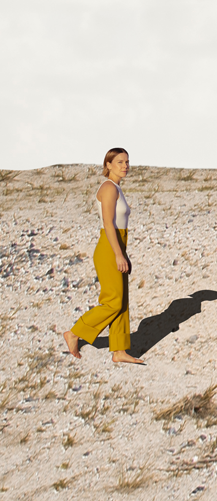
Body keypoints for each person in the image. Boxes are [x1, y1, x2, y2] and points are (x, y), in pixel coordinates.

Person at [64, 149, 144, 365]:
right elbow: (108, 223)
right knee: (113, 301)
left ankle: (119, 350)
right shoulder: (108, 188)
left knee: (122, 301)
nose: (125, 165)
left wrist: (123, 252)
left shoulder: (116, 187)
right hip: (110, 247)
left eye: (127, 161)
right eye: (119, 162)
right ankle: (74, 332)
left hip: (118, 244)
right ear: (108, 164)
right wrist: (118, 254)